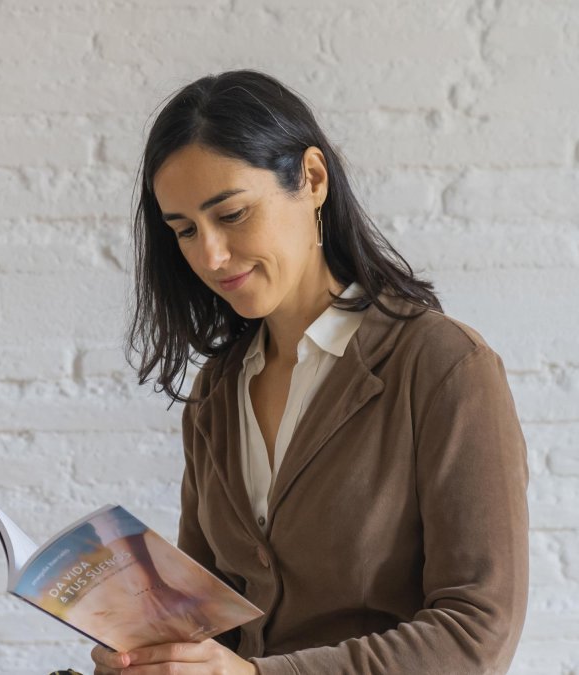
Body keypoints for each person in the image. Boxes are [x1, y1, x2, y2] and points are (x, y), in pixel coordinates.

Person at [91, 69, 530, 674]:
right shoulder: (216, 392)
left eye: (234, 214)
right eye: (185, 231)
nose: (210, 256)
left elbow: (478, 633)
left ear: (312, 180)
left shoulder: (442, 367)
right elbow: (211, 627)